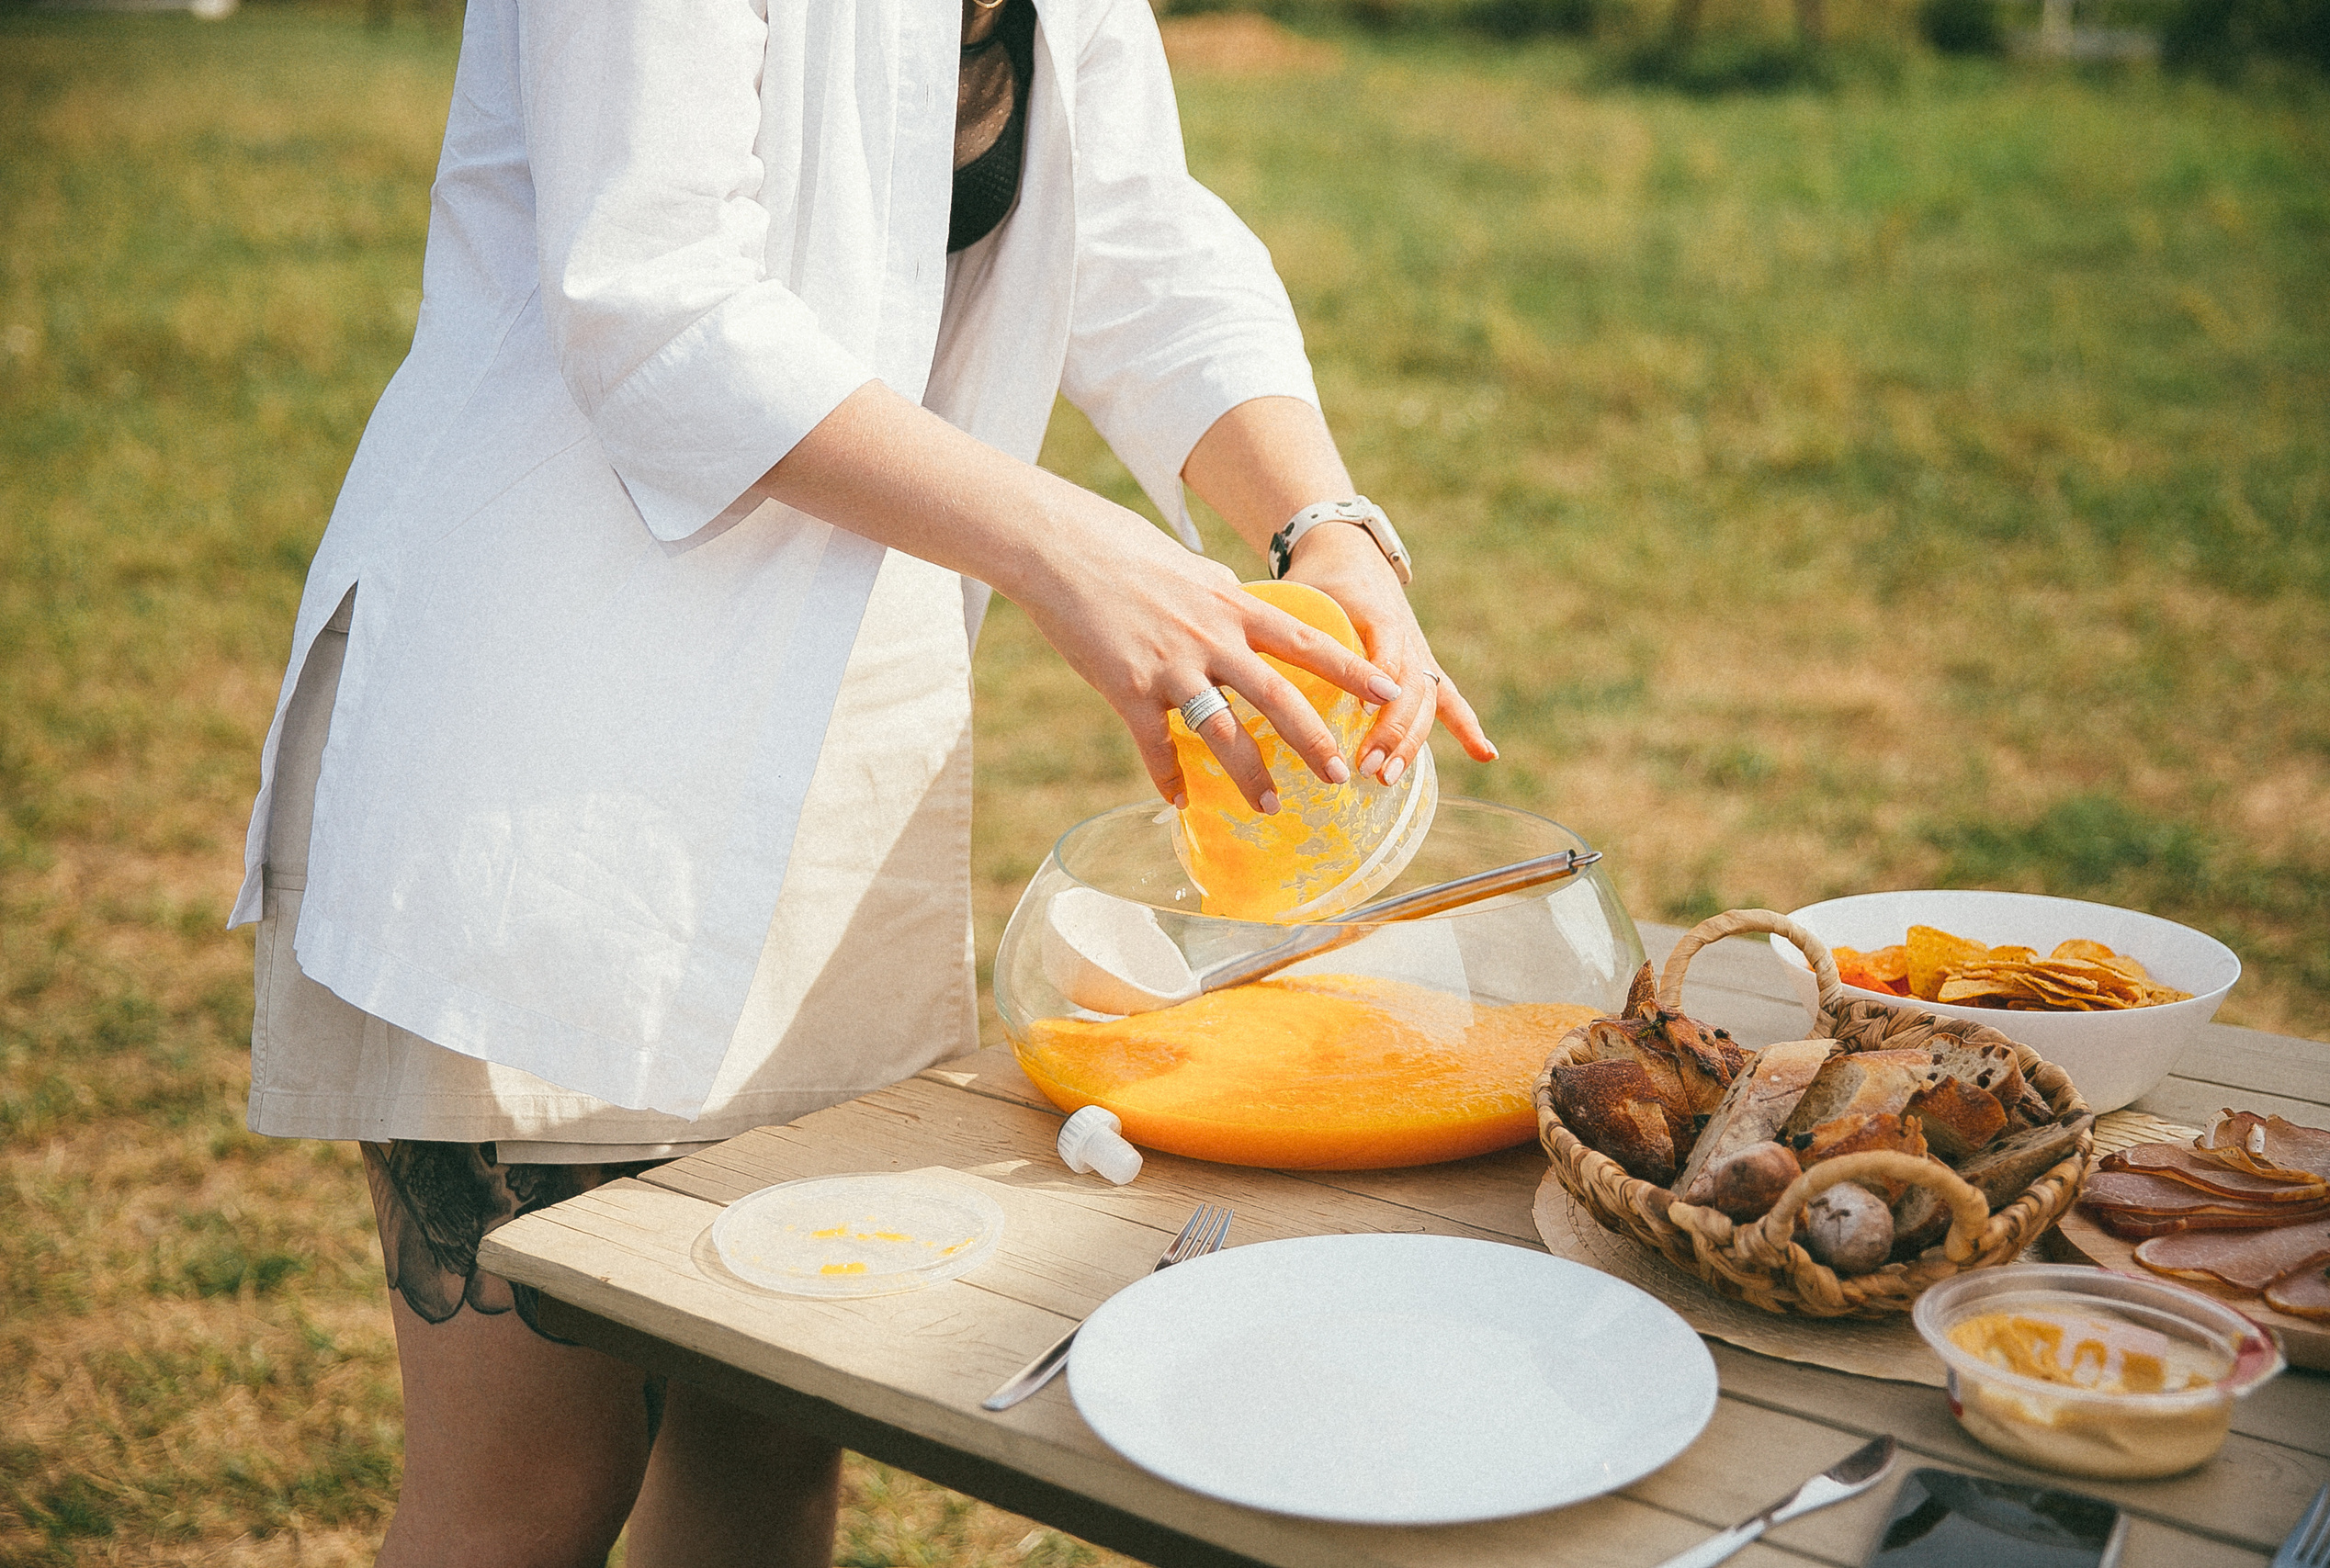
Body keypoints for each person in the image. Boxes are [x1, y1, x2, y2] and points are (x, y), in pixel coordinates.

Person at [232, 0, 1493, 1562]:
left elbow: (1140, 245)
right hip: (552, 750)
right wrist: (1066, 547)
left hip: (842, 743)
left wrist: (1325, 524)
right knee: (533, 1495)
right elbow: (656, 301)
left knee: (772, 1442)